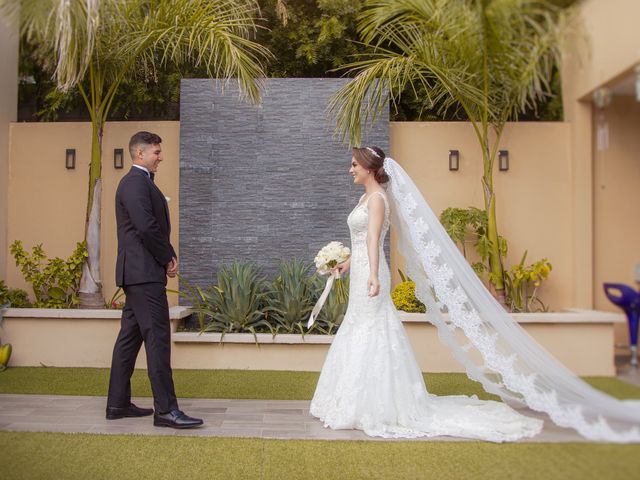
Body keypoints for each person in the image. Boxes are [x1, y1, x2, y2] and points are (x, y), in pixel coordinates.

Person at [310, 146, 640, 442]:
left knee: (372, 329)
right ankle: (354, 399)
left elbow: (373, 240)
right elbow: (361, 241)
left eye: (354, 165)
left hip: (372, 275)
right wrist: (346, 264)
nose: (350, 169)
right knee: (358, 327)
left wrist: (372, 276)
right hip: (363, 272)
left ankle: (374, 405)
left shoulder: (378, 199)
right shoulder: (365, 199)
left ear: (369, 168)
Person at [106, 131, 202, 429]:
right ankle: (166, 411)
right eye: (156, 152)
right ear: (140, 154)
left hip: (138, 273)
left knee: (129, 339)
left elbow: (147, 226)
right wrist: (168, 257)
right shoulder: (135, 183)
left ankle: (118, 404)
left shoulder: (140, 183)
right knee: (158, 339)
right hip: (144, 274)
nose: (160, 156)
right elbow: (147, 227)